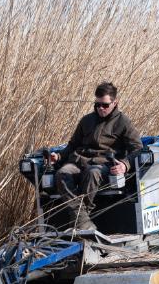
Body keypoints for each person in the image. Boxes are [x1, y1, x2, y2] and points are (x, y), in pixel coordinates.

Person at [50, 82, 143, 230]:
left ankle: (80, 219)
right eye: (97, 104)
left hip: (103, 165)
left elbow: (137, 149)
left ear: (115, 102)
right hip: (79, 161)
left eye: (105, 105)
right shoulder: (86, 120)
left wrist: (125, 165)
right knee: (62, 173)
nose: (100, 108)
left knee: (92, 173)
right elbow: (72, 145)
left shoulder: (123, 122)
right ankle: (82, 220)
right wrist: (59, 157)